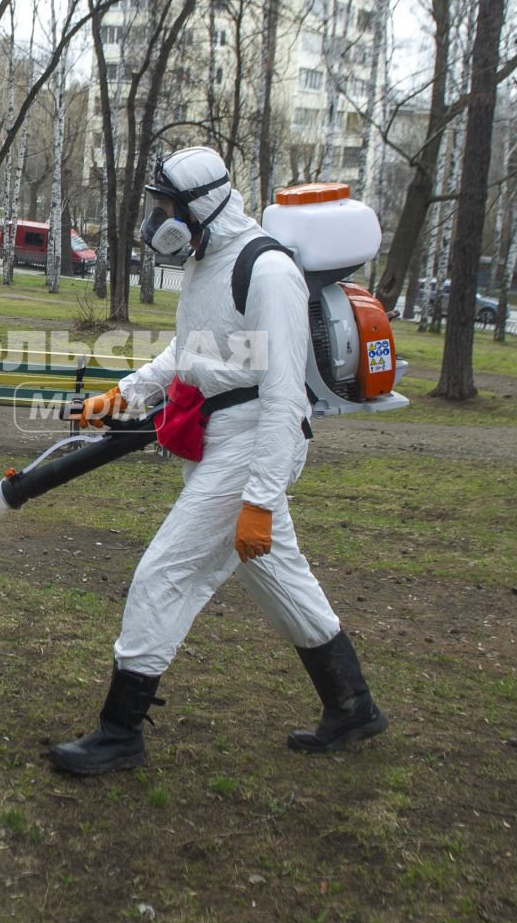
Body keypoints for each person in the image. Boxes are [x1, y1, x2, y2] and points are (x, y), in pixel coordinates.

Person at [46, 146, 388, 775]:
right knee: (277, 574)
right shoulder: (208, 265)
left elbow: (286, 395)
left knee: (164, 574)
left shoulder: (269, 273)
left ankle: (120, 732)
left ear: (199, 205)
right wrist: (124, 395)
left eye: (164, 208)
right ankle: (353, 705)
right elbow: (188, 350)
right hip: (222, 433)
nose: (158, 222)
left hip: (256, 439)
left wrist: (258, 498)